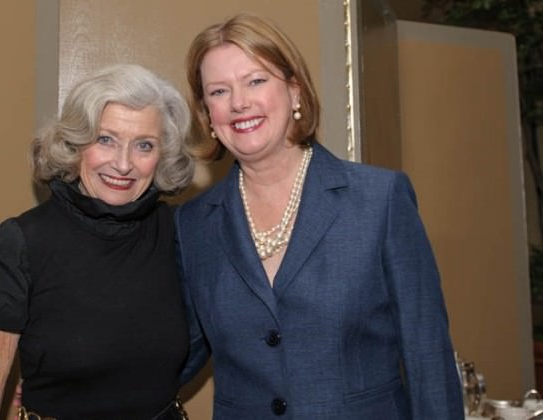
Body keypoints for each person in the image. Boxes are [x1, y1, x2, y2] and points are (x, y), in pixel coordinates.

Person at [175, 13, 464, 419]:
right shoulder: (193, 224)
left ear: (295, 92)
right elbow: (175, 355)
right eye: (219, 91)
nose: (238, 102)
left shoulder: (379, 200)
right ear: (207, 114)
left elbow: (427, 355)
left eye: (256, 80)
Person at [0, 64, 194, 420]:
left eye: (144, 145)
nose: (123, 164)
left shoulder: (182, 232)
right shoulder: (18, 245)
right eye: (105, 139)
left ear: (162, 156)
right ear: (76, 143)